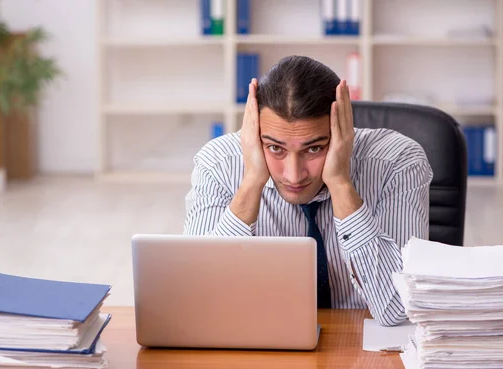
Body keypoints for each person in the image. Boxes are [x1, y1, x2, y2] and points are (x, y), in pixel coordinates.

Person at [183, 55, 433, 326]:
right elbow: (198, 304)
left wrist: (340, 182)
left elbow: (398, 308)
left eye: (314, 148)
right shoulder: (218, 165)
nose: (294, 174)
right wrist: (252, 181)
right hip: (259, 347)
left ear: (343, 131)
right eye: (275, 148)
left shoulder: (396, 163)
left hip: (362, 352)